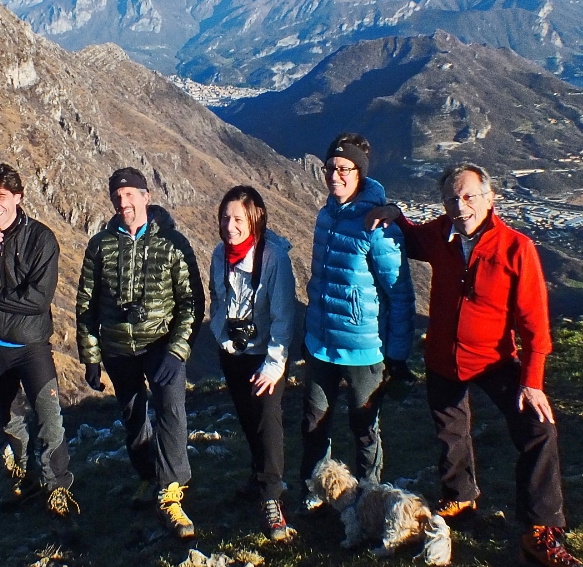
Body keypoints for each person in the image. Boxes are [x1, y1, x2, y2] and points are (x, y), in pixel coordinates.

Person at [366, 162, 583, 567]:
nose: (460, 204)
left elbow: (534, 323)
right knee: (450, 430)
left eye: (469, 195)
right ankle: (460, 496)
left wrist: (533, 379)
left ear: (490, 198)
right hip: (443, 357)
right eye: (452, 197)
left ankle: (540, 529)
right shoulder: (440, 234)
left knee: (537, 429)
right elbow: (412, 239)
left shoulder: (515, 248)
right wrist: (396, 214)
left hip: (494, 358)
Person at [76, 167, 204, 539]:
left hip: (161, 346)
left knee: (171, 410)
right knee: (133, 415)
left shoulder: (172, 243)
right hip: (117, 348)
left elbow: (191, 301)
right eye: (117, 195)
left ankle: (172, 490)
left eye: (130, 194)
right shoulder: (101, 245)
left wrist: (177, 351)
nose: (123, 201)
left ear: (146, 197)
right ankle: (148, 475)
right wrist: (91, 356)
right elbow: (86, 302)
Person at [0, 164, 78, 526]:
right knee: (11, 420)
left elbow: (39, 300)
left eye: (1, 197)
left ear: (18, 198)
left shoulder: (41, 239)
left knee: (49, 419)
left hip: (32, 345)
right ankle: (23, 481)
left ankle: (57, 487)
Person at [300, 133, 416, 508]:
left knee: (364, 428)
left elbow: (399, 292)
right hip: (321, 343)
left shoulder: (377, 224)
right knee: (314, 423)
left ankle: (369, 497)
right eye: (330, 168)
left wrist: (397, 354)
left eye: (344, 169)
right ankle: (316, 492)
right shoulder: (325, 215)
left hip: (365, 348)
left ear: (360, 173)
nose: (335, 175)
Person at [209, 185, 297, 541]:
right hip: (233, 351)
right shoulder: (219, 254)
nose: (230, 226)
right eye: (225, 218)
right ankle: (257, 477)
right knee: (247, 418)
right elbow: (218, 298)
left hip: (265, 354)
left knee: (268, 421)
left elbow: (283, 316)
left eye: (238, 219)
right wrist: (223, 335)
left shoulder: (274, 259)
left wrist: (274, 365)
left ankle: (272, 497)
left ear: (255, 220)